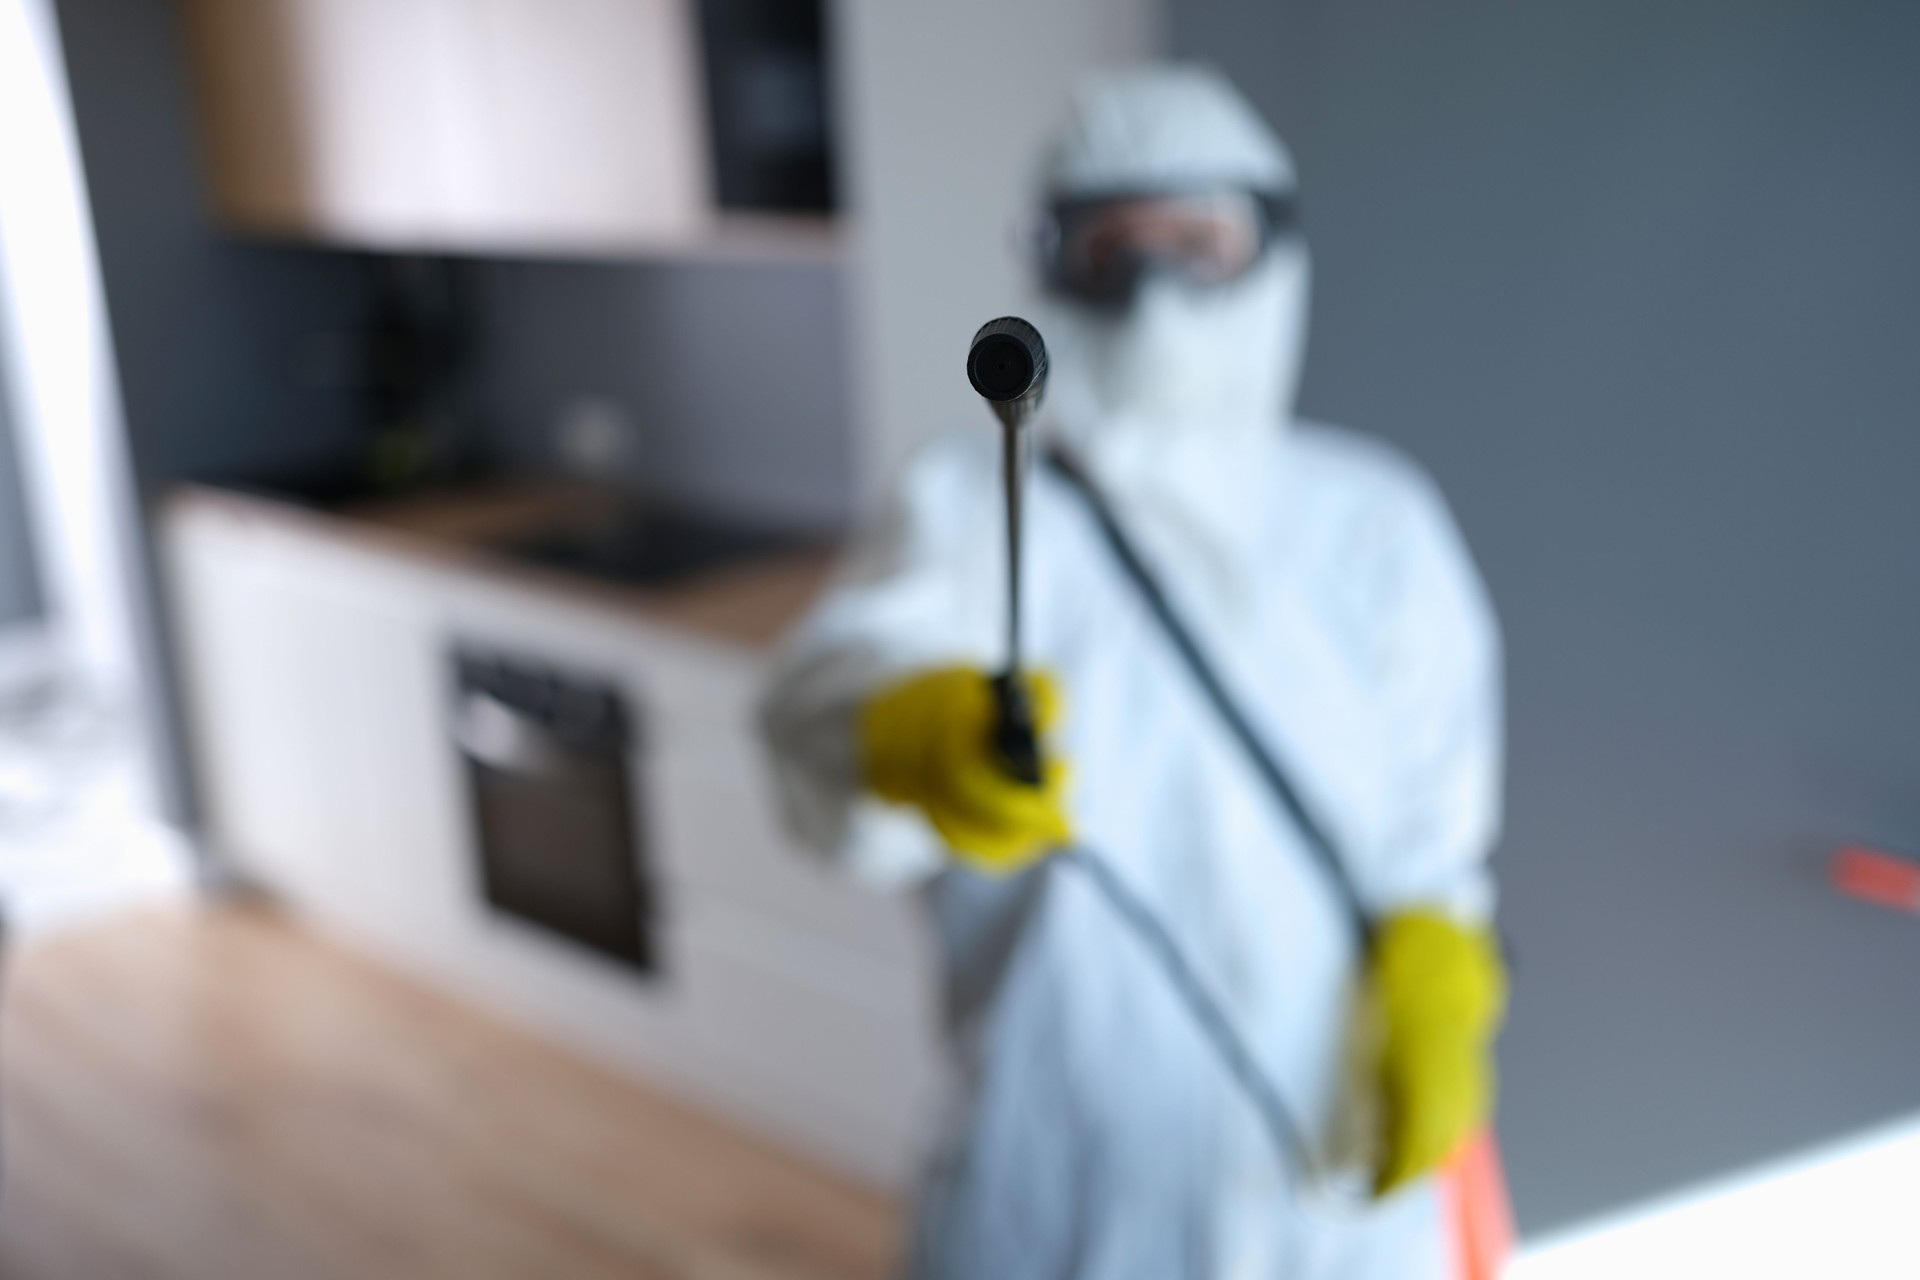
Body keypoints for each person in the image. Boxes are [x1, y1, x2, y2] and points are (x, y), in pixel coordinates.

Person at [761, 64, 1506, 1280]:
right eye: (1111, 247)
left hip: (1324, 1172)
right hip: (1052, 1176)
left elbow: (1434, 828)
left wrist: (1439, 968)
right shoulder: (968, 507)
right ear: (1049, 265)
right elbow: (814, 711)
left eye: (1198, 241)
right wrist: (911, 735)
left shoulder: (1377, 522)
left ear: (1271, 251)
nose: (1156, 290)